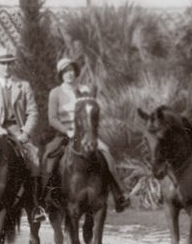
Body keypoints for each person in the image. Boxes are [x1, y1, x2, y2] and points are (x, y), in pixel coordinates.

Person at [42, 56, 129, 212]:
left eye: (71, 70)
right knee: (49, 156)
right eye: (65, 71)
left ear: (75, 72)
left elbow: (93, 114)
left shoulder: (85, 90)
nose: (69, 74)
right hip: (65, 134)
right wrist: (67, 131)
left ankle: (119, 194)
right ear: (61, 74)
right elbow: (52, 119)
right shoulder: (55, 93)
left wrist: (91, 131)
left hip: (86, 135)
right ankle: (45, 198)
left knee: (107, 154)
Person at [0, 47, 37, 164]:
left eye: (9, 63)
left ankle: (35, 182)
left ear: (13, 65)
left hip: (18, 132)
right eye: (2, 64)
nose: (6, 67)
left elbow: (33, 113)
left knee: (35, 162)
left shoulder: (24, 86)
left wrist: (25, 132)